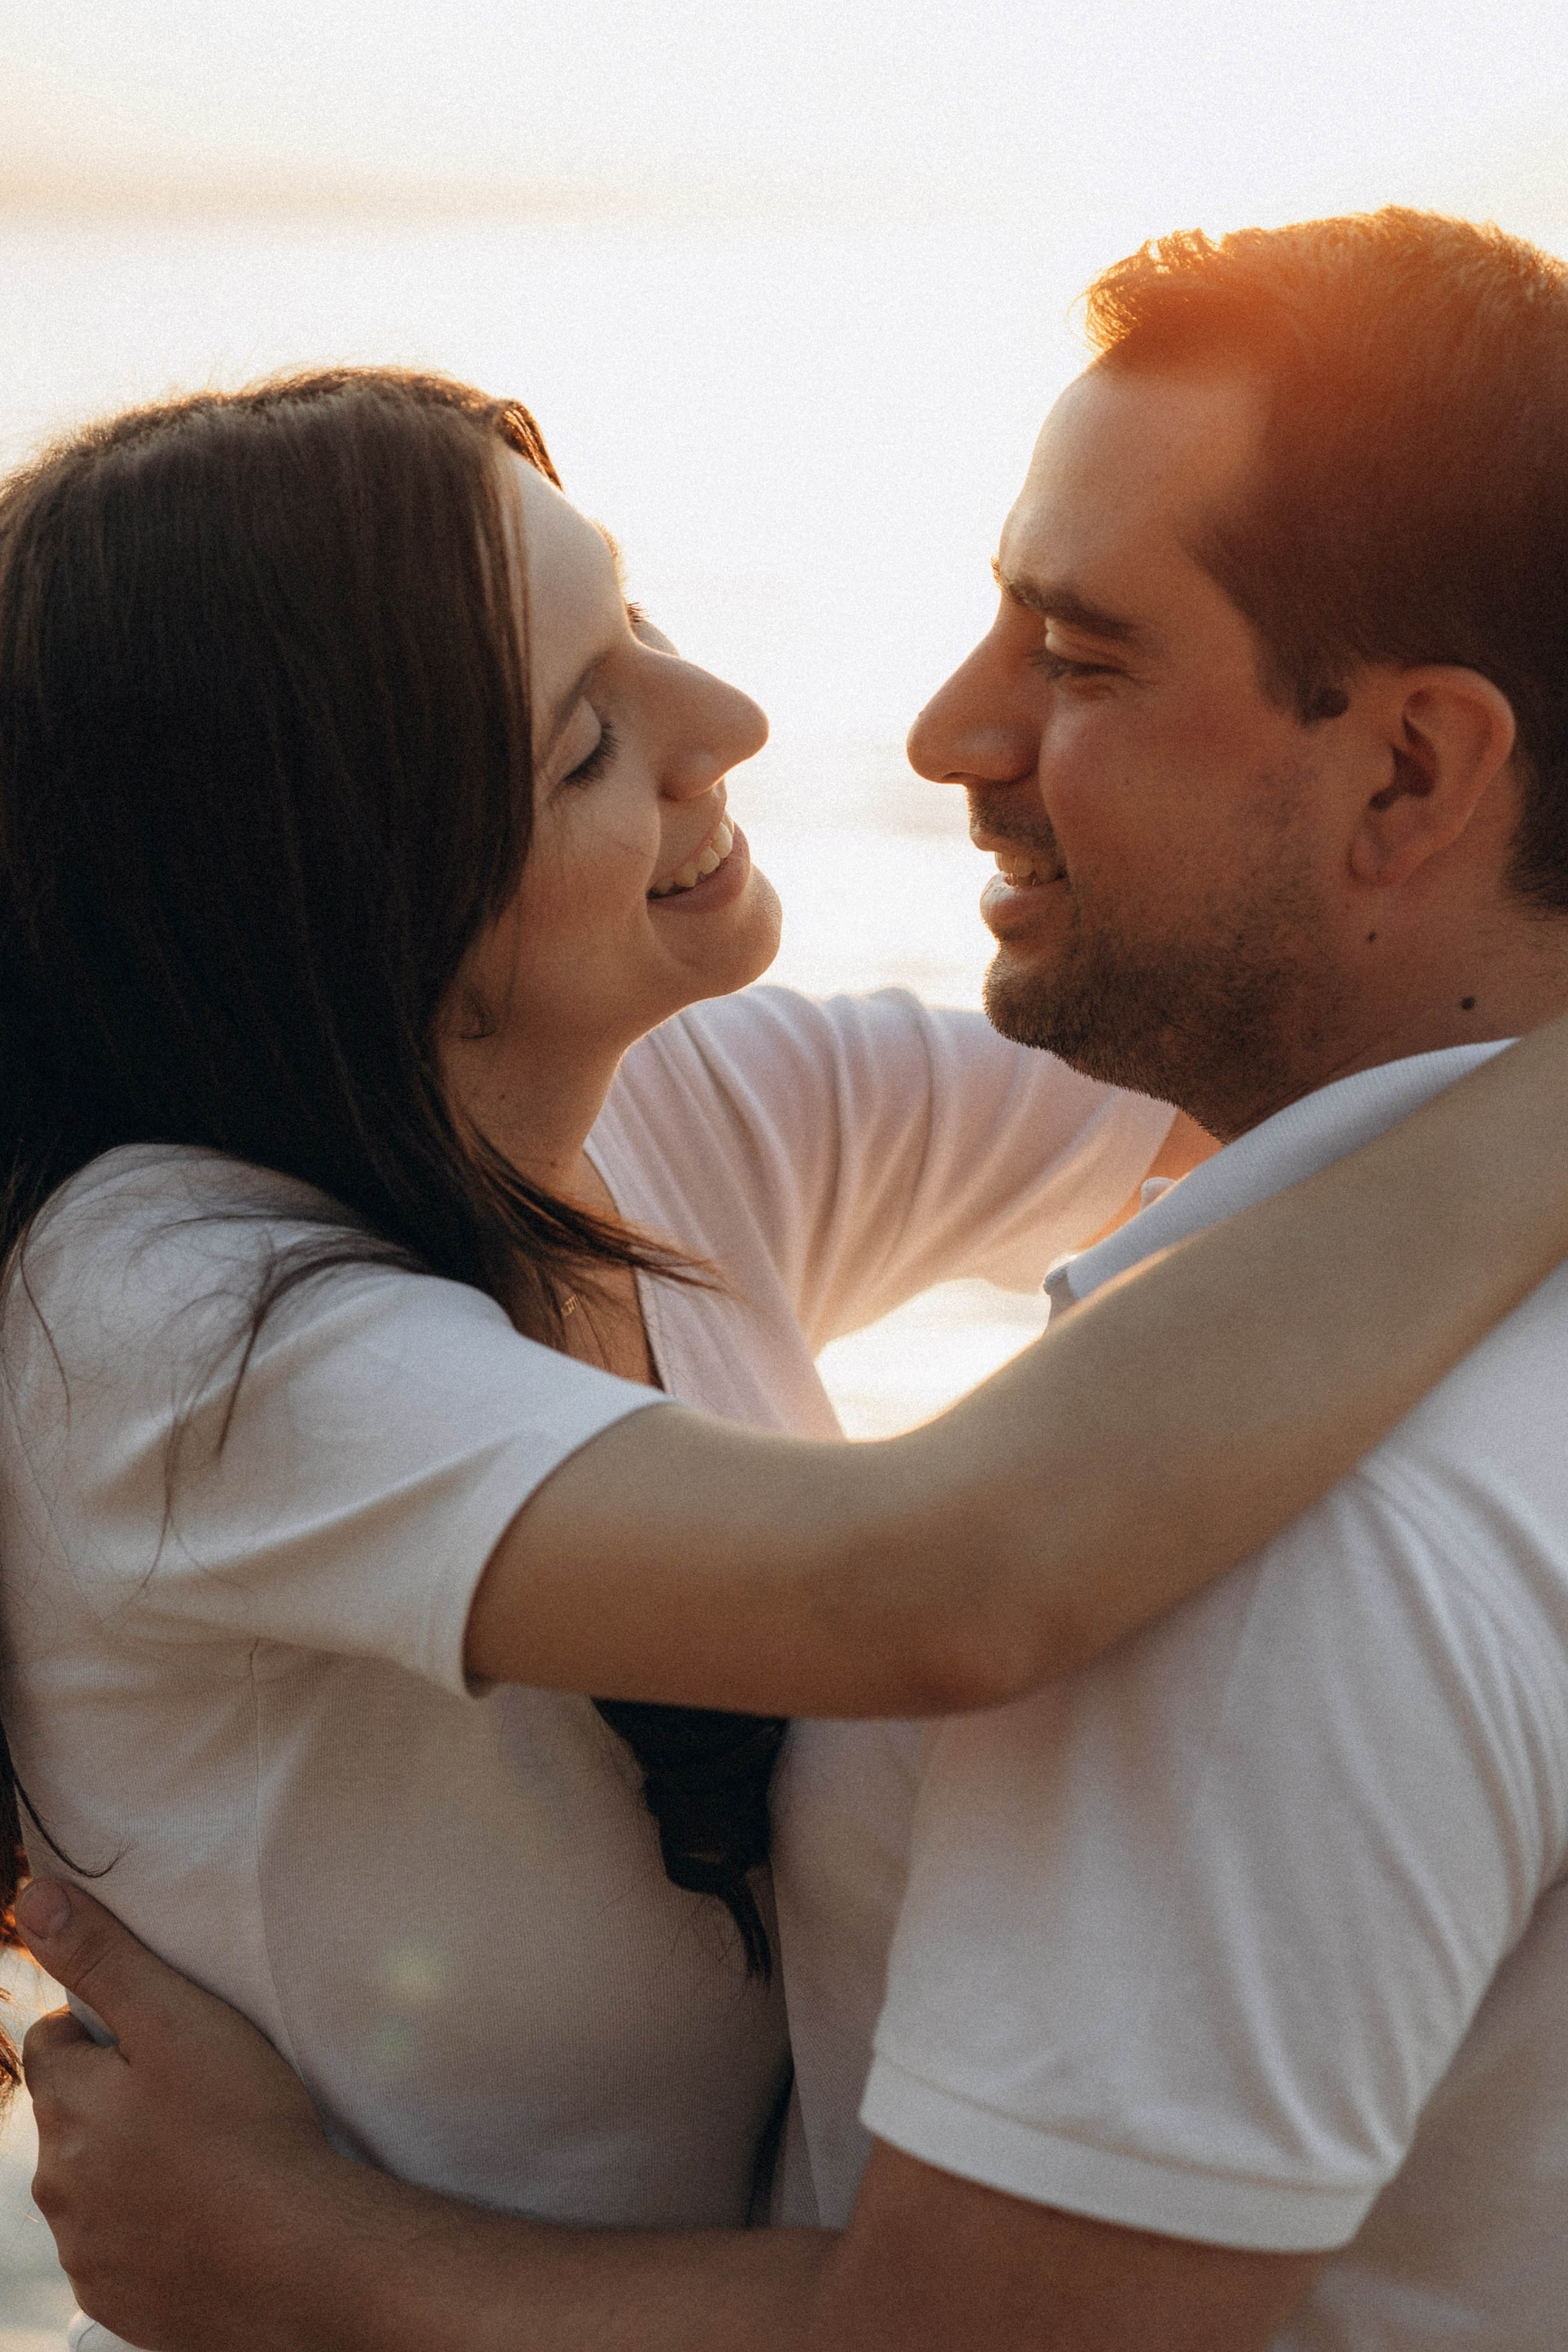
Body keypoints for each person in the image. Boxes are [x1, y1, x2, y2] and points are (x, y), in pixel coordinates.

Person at [13, 217, 1568, 2350]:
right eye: (579, 737)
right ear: (350, 894)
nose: (727, 714)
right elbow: (934, 1578)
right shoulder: (174, 1321)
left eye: (636, 612)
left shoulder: (675, 1109)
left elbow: (1285, 1061)